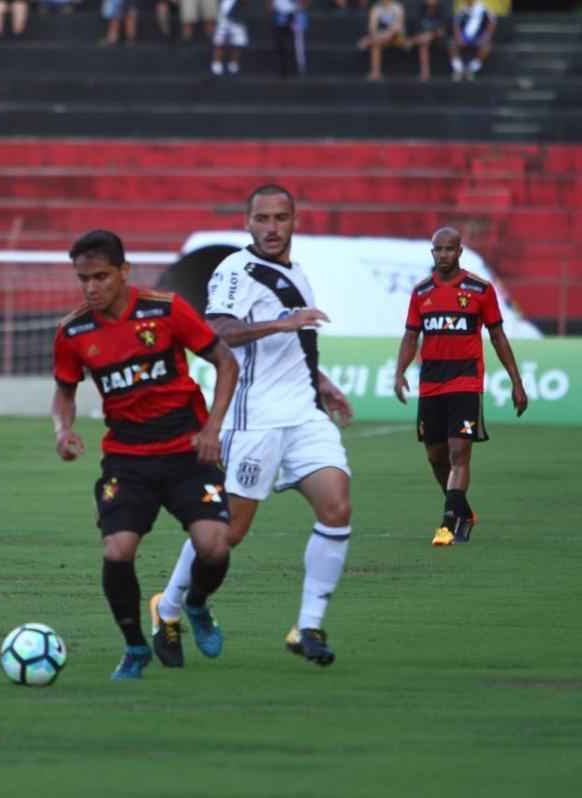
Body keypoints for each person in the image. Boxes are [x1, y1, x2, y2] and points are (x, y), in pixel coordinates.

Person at [150, 185, 357, 668]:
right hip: (255, 420)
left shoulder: (297, 273)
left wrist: (321, 382)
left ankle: (307, 627)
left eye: (280, 218)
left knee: (337, 506)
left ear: (293, 221)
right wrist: (281, 324)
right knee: (226, 535)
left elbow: (296, 344)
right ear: (248, 222)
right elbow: (217, 330)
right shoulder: (235, 271)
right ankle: (173, 608)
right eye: (261, 218)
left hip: (305, 415)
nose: (271, 227)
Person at [51, 230, 239, 680]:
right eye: (83, 279)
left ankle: (194, 604)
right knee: (118, 550)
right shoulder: (74, 332)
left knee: (214, 545)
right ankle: (135, 647)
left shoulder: (166, 309)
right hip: (127, 458)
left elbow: (226, 362)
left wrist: (212, 428)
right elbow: (64, 393)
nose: (92, 288)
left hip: (187, 450)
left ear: (124, 272)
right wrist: (63, 429)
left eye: (100, 277)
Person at [393, 227, 527, 547]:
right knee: (436, 456)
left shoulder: (480, 290)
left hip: (465, 381)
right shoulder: (421, 292)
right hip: (431, 385)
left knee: (458, 451)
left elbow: (497, 336)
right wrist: (399, 372)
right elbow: (411, 336)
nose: (443, 255)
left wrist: (516, 382)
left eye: (449, 249)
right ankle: (460, 509)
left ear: (459, 252)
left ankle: (448, 524)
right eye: (437, 250)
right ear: (432, 253)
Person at [356, 0, 406, 82]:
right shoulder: (376, 8)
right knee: (376, 43)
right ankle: (376, 73)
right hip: (381, 38)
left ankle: (368, 41)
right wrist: (380, 35)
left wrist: (386, 34)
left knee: (390, 34)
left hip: (397, 37)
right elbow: (372, 28)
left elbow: (399, 27)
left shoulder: (397, 7)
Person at [450, 0, 495, 81]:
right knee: (451, 44)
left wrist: (485, 37)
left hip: (478, 39)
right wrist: (459, 37)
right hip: (463, 38)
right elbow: (456, 25)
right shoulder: (461, 11)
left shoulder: (483, 10)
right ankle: (459, 69)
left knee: (487, 47)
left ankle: (471, 69)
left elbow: (491, 24)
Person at [407, 0, 447, 81]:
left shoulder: (441, 10)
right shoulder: (422, 9)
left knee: (425, 38)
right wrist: (423, 35)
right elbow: (418, 27)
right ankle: (425, 73)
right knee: (424, 43)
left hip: (438, 38)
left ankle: (412, 41)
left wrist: (431, 34)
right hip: (424, 38)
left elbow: (442, 31)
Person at [272, 0, 309, 77]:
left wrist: (299, 9)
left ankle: (299, 67)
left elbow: (304, 3)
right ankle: (284, 68)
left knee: (298, 43)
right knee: (282, 43)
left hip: (296, 16)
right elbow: (273, 6)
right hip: (281, 17)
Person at [211, 0, 248, 75]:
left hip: (238, 16)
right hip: (223, 16)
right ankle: (216, 63)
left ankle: (233, 63)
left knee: (238, 42)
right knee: (219, 40)